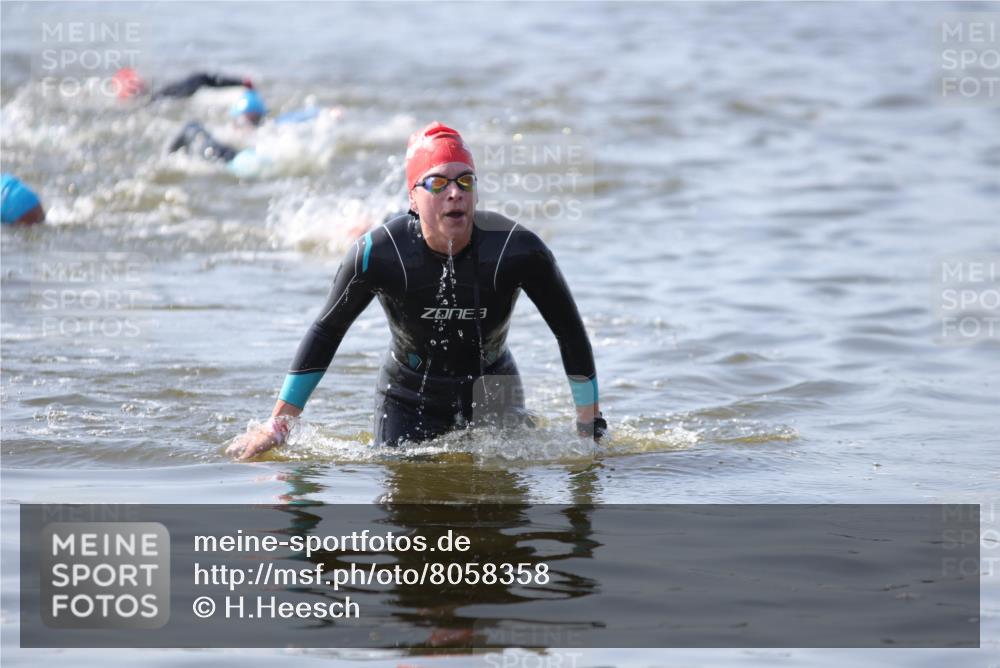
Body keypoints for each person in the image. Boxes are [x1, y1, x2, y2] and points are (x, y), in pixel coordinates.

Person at [227, 122, 606, 460]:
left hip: (494, 390)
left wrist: (589, 427)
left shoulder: (518, 250)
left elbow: (569, 333)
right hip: (407, 396)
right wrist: (277, 425)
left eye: (466, 181)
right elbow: (327, 332)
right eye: (439, 183)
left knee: (501, 519)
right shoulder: (377, 254)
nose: (455, 193)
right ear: (413, 197)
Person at [111, 67, 253, 102]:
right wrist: (241, 82)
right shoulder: (199, 79)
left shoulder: (157, 94)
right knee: (200, 78)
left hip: (166, 95)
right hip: (170, 97)